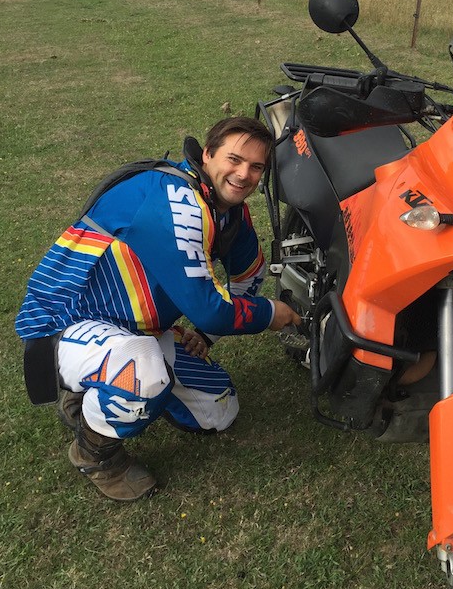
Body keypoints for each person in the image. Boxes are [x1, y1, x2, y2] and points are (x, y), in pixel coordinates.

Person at [16, 116, 301, 502]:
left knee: (219, 410)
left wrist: (206, 337)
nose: (243, 174)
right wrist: (270, 313)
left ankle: (105, 389)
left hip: (139, 328)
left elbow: (249, 276)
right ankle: (95, 453)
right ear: (207, 154)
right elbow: (211, 309)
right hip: (67, 322)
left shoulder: (228, 210)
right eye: (234, 160)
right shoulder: (175, 198)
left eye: (256, 167)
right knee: (142, 372)